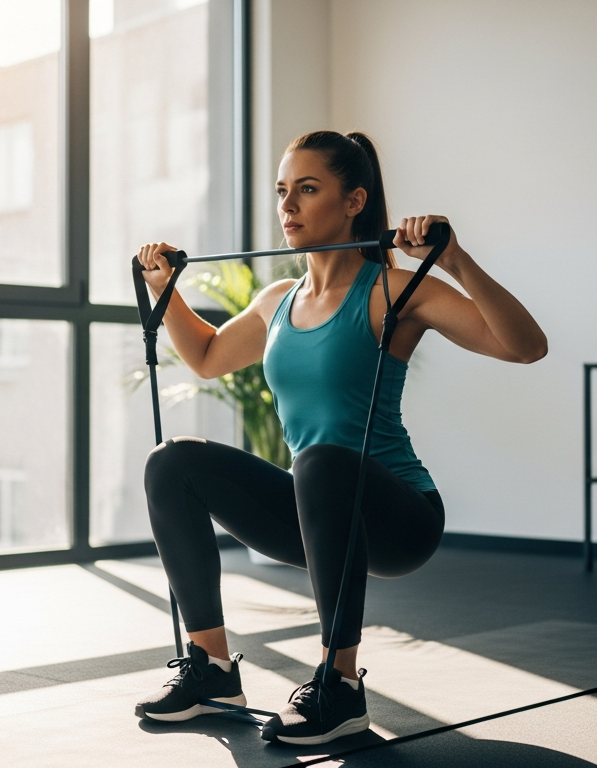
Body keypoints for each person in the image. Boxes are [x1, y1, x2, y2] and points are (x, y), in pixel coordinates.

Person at [132, 130, 547, 745]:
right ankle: (213, 670)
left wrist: (454, 259)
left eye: (307, 189)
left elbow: (525, 346)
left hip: (398, 518)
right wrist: (164, 290)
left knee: (323, 462)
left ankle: (342, 685)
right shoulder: (279, 300)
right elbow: (208, 357)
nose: (288, 206)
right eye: (282, 191)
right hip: (317, 514)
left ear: (354, 201)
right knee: (171, 464)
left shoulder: (394, 290)